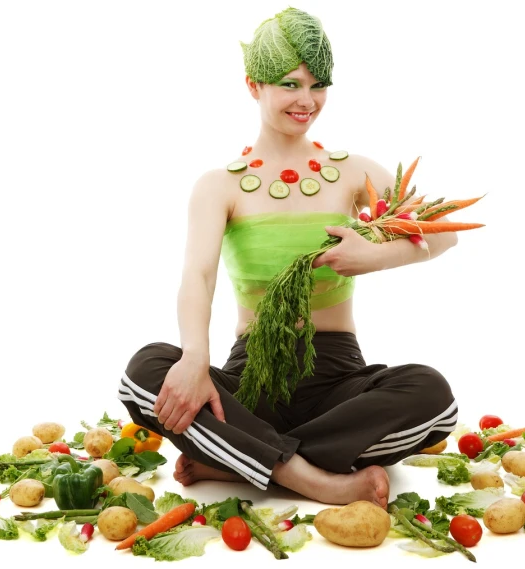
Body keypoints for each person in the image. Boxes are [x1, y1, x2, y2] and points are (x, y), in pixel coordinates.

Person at [117, 7, 459, 509]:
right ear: (253, 85)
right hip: (249, 377)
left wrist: (374, 254)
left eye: (319, 85)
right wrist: (194, 356)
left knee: (432, 394)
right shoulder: (220, 185)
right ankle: (318, 480)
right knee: (144, 370)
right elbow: (199, 273)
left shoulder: (352, 172)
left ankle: (239, 458)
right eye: (290, 84)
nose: (307, 101)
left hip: (338, 377)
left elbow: (443, 230)